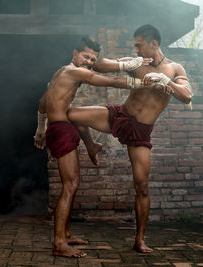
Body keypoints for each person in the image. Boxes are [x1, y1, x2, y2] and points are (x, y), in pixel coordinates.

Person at [67, 24, 193, 253]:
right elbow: (99, 65)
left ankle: (139, 239)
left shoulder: (174, 68)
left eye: (139, 45)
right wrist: (125, 64)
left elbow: (187, 96)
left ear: (153, 44)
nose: (136, 50)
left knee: (142, 186)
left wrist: (167, 82)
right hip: (120, 116)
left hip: (141, 132)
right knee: (71, 114)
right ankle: (91, 145)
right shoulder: (137, 64)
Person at [33, 37, 151, 258]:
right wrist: (143, 82)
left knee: (73, 184)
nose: (88, 62)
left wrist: (40, 129)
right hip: (61, 129)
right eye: (86, 56)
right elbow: (111, 82)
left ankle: (66, 234)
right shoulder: (73, 71)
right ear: (75, 52)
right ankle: (59, 243)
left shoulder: (59, 73)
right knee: (70, 185)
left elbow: (42, 102)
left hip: (58, 128)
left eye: (93, 59)